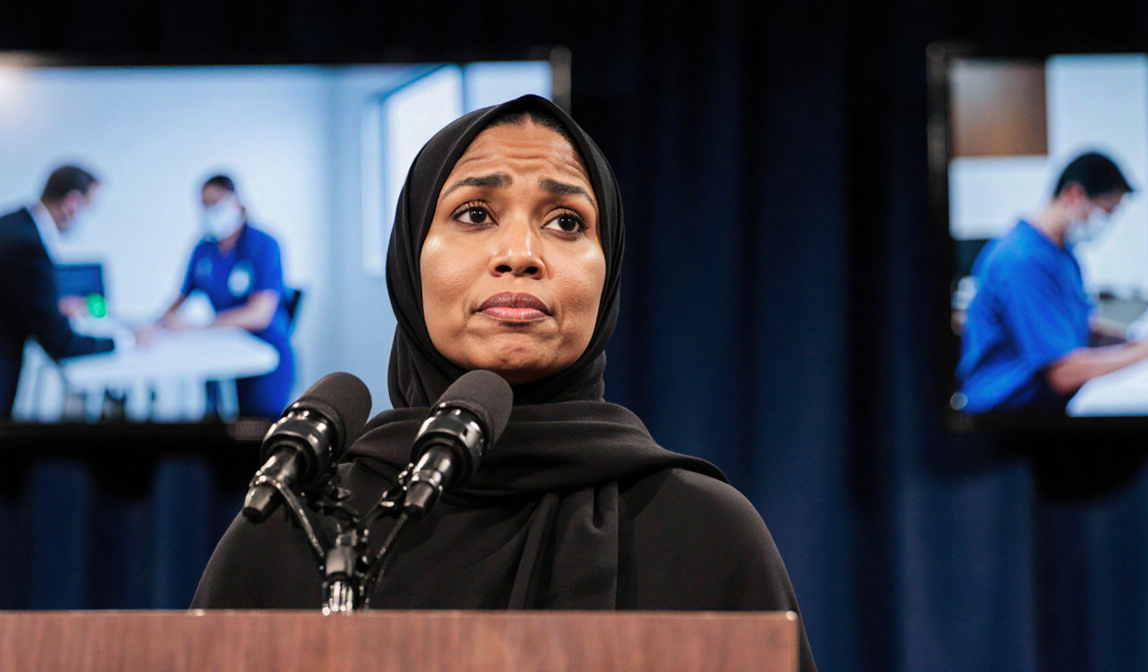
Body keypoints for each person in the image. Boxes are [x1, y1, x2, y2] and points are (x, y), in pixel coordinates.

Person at [192, 95, 816, 669]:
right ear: (409, 257)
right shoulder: (297, 531)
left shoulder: (704, 533)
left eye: (566, 222)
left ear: (609, 272)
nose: (520, 253)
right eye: (475, 213)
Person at [957, 152, 1148, 413]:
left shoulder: (1060, 251)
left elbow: (1065, 320)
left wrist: (1130, 341)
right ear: (1074, 195)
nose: (1105, 223)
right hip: (1009, 412)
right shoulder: (1021, 260)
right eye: (1104, 212)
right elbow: (1062, 374)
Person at [152, 175, 295, 418]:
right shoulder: (203, 249)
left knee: (260, 425)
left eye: (216, 203)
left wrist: (197, 327)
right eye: (204, 205)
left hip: (265, 351)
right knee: (219, 420)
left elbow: (259, 315)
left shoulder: (264, 245)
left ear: (236, 202)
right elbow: (180, 298)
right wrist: (157, 324)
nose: (210, 211)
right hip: (224, 351)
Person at [0, 166, 119, 419]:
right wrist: (125, 340)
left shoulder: (13, 225)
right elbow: (60, 342)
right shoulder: (27, 244)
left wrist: (51, 305)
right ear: (72, 202)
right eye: (88, 206)